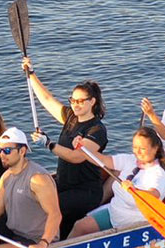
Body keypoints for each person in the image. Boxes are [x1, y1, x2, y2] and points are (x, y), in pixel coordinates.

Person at [22, 57, 109, 236]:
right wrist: (31, 74)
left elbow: (76, 157)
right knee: (31, 197)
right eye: (72, 100)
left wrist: (49, 144)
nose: (75, 104)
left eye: (80, 101)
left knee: (50, 207)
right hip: (64, 183)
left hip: (85, 191)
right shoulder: (70, 117)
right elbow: (46, 99)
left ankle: (48, 241)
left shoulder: (97, 129)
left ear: (92, 102)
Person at [70, 128, 165, 236]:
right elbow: (103, 160)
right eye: (135, 147)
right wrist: (82, 149)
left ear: (155, 148)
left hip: (132, 222)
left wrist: (135, 190)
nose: (137, 152)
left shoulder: (158, 174)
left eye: (142, 148)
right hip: (114, 212)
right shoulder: (130, 160)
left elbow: (153, 195)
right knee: (79, 226)